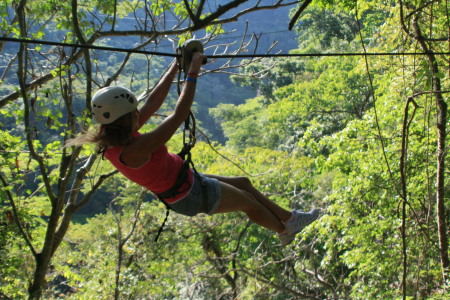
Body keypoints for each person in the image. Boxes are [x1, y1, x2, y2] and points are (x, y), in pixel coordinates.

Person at [68, 52, 320, 246]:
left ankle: (290, 219)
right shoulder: (134, 149)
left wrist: (175, 66)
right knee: (249, 204)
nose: (139, 115)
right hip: (188, 194)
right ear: (125, 118)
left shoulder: (114, 135)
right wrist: (192, 73)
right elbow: (178, 115)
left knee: (243, 182)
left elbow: (154, 102)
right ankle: (285, 231)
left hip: (187, 182)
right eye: (134, 113)